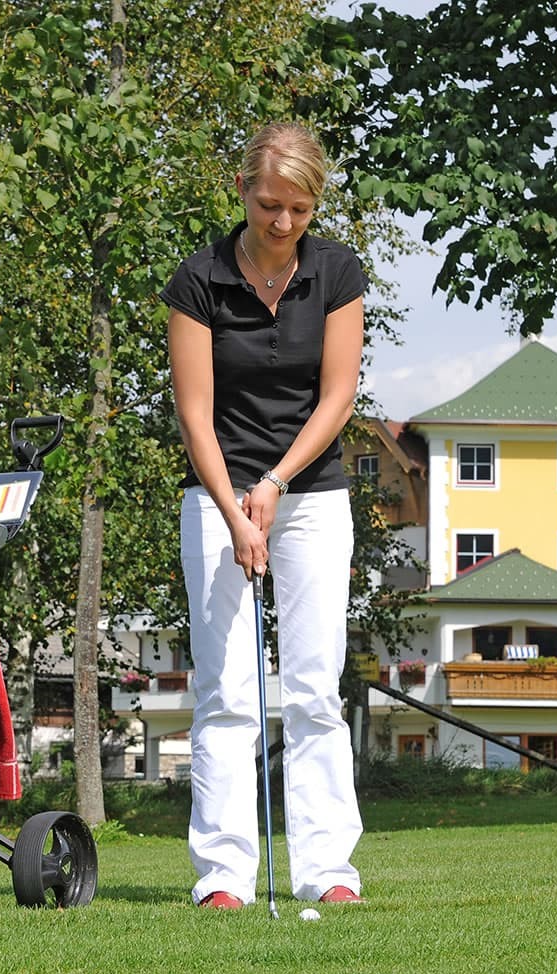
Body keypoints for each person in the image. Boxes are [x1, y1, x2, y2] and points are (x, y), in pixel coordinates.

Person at [162, 122, 367, 910]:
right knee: (228, 693)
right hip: (218, 496)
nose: (283, 223)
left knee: (314, 688)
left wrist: (277, 483)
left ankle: (329, 870)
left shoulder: (337, 272)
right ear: (242, 189)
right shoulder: (199, 279)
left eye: (300, 209)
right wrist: (236, 510)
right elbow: (195, 413)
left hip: (311, 495)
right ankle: (223, 875)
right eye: (270, 204)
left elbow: (338, 394)